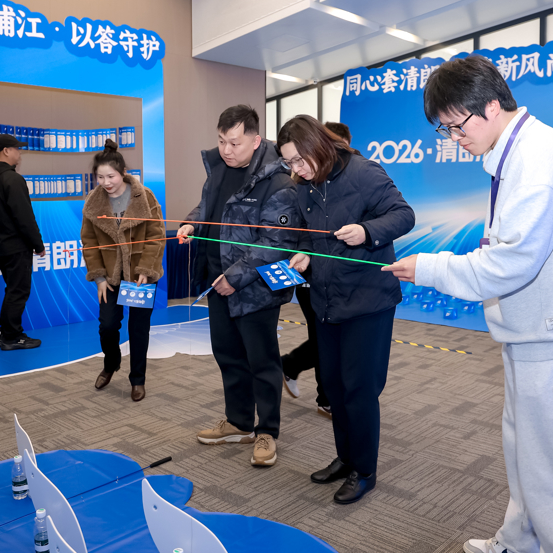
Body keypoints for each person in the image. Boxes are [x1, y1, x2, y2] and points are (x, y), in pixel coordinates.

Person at [383, 55, 553, 553]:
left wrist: (431, 268)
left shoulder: (536, 162)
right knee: (526, 454)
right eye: (445, 129)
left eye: (456, 126)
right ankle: (519, 542)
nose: (453, 138)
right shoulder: (518, 151)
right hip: (532, 332)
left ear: (490, 106)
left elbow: (511, 264)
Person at [281, 115, 415, 504]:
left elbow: (403, 215)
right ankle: (345, 458)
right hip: (327, 298)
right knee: (335, 386)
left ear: (317, 145)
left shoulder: (363, 172)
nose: (297, 169)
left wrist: (367, 231)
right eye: (289, 163)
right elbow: (313, 237)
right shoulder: (304, 186)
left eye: (300, 159)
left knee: (359, 389)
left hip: (368, 300)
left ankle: (365, 470)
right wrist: (305, 254)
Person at [177, 105, 299, 467]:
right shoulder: (218, 169)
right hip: (217, 281)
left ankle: (267, 431)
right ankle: (239, 421)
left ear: (255, 140)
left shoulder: (278, 180)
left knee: (262, 361)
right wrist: (191, 223)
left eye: (235, 143)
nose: (227, 150)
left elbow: (275, 242)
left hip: (254, 286)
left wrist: (236, 277)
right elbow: (208, 207)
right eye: (221, 141)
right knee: (228, 355)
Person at [281, 123, 355, 418]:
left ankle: (291, 365)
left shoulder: (349, 178)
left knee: (329, 336)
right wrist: (304, 252)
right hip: (307, 275)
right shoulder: (300, 186)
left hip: (333, 276)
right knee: (323, 336)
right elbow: (299, 232)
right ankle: (325, 396)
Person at [82, 140, 165, 402]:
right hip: (110, 275)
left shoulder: (145, 197)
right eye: (100, 177)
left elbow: (156, 236)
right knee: (107, 325)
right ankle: (111, 363)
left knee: (139, 328)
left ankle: (138, 379)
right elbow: (89, 242)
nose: (106, 182)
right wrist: (98, 278)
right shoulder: (93, 202)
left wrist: (146, 269)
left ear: (123, 173)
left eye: (111, 176)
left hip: (141, 275)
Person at [0, 134, 46, 351]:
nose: (20, 153)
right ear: (6, 151)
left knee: (13, 289)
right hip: (17, 246)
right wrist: (38, 244)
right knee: (18, 291)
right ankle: (11, 336)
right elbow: (24, 217)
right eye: (17, 149)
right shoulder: (13, 179)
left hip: (0, 245)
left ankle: (7, 332)